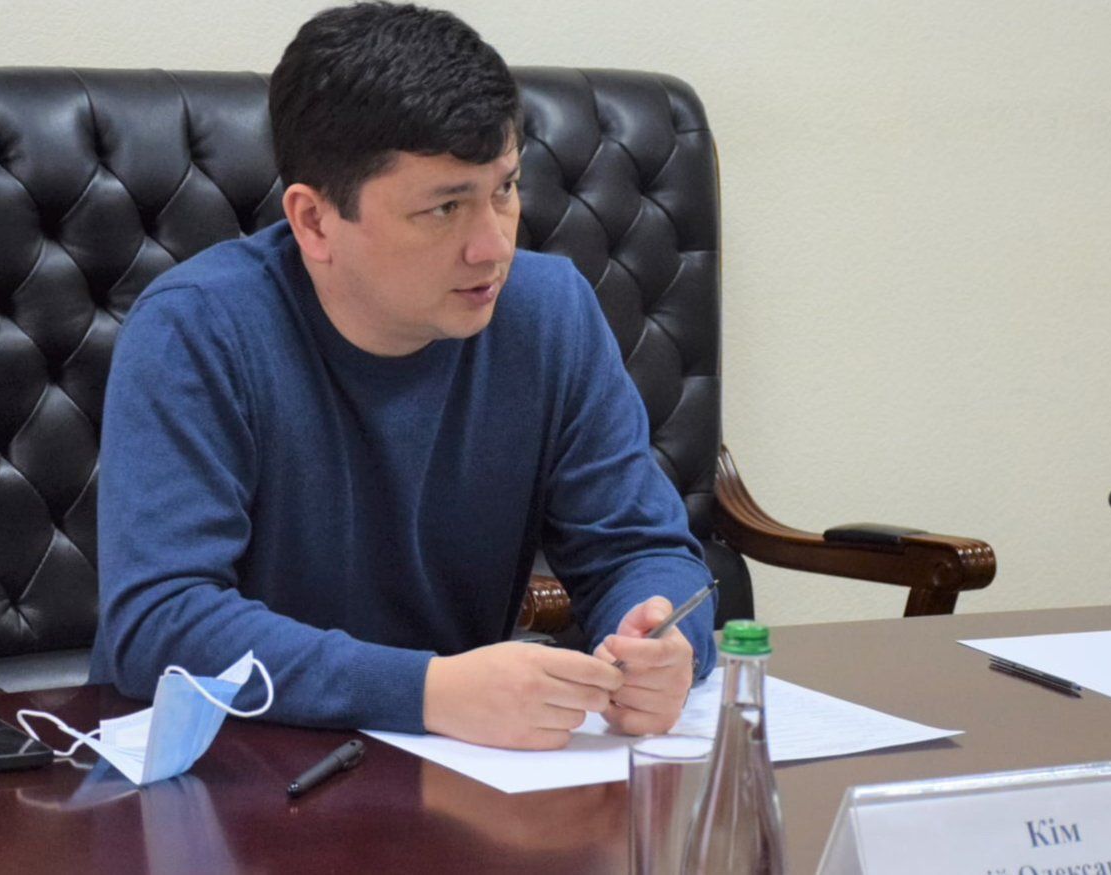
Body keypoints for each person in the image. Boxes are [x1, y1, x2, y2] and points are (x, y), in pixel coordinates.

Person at [88, 1, 716, 751]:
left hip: (467, 768)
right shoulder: (195, 329)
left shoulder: (550, 312)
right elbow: (159, 622)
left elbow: (640, 548)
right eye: (445, 208)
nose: (492, 246)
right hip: (238, 766)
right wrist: (425, 691)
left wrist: (662, 643)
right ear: (314, 221)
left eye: (504, 190)